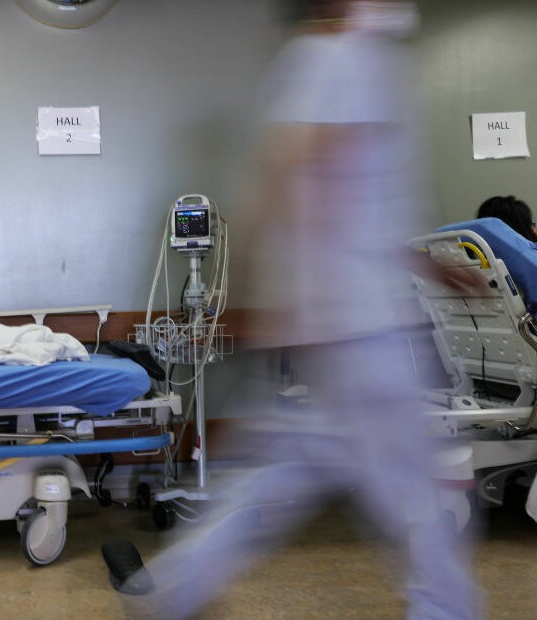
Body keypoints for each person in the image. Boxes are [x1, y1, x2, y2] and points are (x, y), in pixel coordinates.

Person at [113, 2, 484, 618]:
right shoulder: (342, 59)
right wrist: (280, 295)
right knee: (416, 493)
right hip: (362, 330)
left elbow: (353, 197)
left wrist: (423, 264)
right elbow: (290, 171)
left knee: (282, 468)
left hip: (343, 325)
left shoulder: (328, 61)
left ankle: (177, 587)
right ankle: (448, 609)